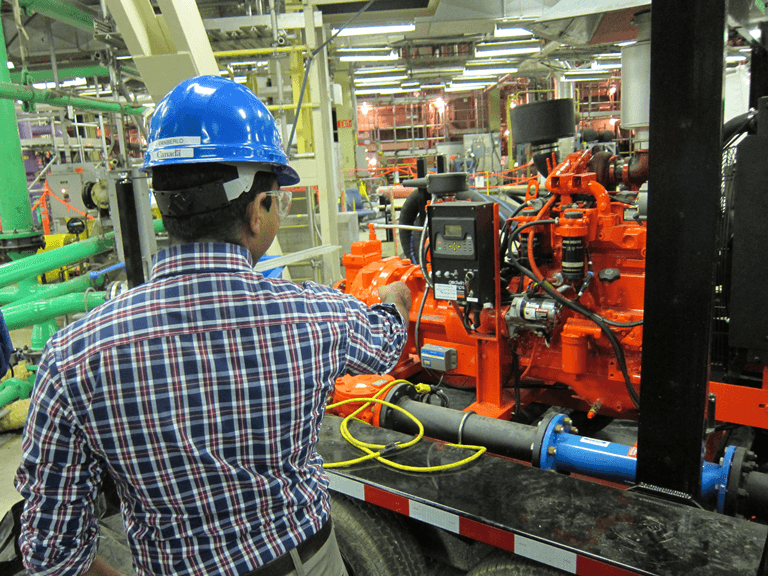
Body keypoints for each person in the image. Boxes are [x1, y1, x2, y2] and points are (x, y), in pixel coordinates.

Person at [15, 75, 412, 576]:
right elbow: (385, 343)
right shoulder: (313, 317)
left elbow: (51, 555)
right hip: (306, 561)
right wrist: (394, 297)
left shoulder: (72, 357)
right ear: (257, 210)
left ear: (163, 203)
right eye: (278, 199)